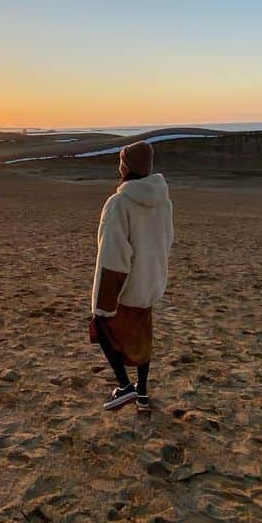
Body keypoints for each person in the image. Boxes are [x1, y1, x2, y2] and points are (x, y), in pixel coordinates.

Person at [90, 140, 174, 411]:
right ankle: (142, 395)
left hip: (126, 287)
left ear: (125, 166)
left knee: (102, 326)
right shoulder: (163, 202)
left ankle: (124, 387)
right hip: (150, 283)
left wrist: (103, 305)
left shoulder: (118, 203)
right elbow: (166, 241)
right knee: (142, 337)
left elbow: (113, 255)